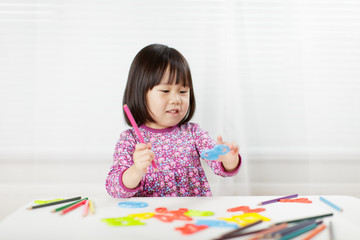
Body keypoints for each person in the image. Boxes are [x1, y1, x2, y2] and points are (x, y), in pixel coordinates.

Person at [105, 44, 241, 198]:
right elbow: (114, 189)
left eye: (183, 91)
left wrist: (229, 159)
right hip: (150, 219)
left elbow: (219, 165)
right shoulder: (130, 140)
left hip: (191, 217)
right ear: (140, 93)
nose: (176, 99)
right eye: (165, 91)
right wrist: (136, 170)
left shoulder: (193, 133)